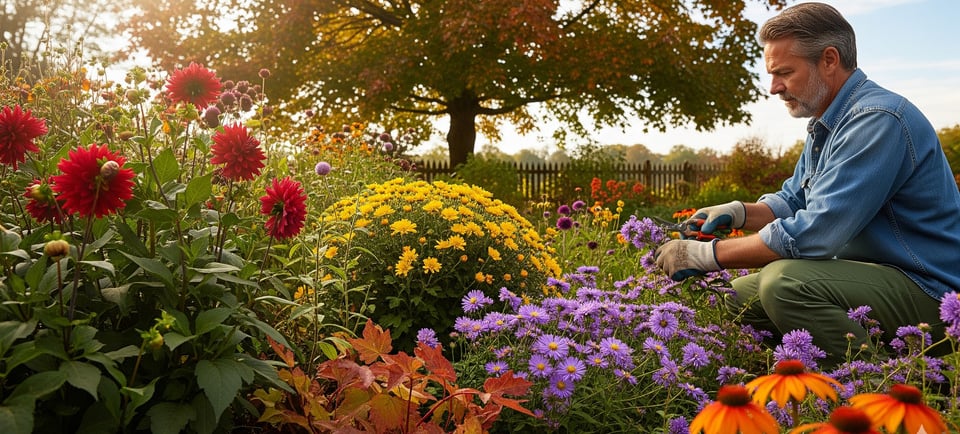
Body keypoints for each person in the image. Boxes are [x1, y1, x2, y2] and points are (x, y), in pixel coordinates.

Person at [654, 2, 960, 369]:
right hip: (877, 278)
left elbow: (816, 233)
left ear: (829, 60)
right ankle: (791, 383)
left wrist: (707, 255)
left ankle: (883, 392)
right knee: (730, 297)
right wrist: (737, 213)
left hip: (932, 292)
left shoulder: (876, 120)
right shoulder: (829, 121)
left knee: (784, 284)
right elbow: (793, 201)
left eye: (784, 72)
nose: (773, 88)